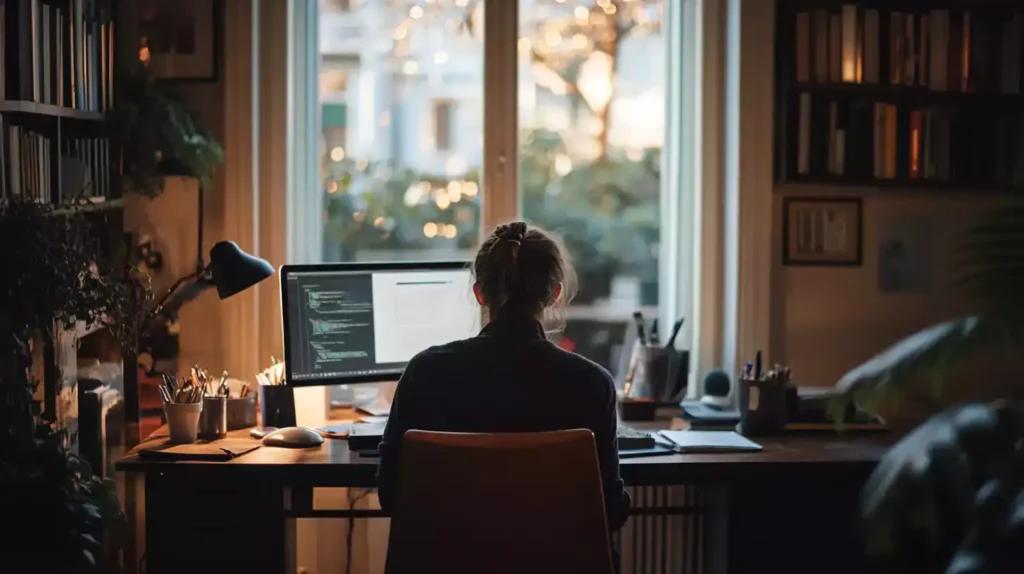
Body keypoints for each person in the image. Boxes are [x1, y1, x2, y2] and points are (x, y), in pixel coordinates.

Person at [377, 221, 631, 533]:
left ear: (479, 294)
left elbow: (391, 496)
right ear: (554, 294)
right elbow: (611, 512)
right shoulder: (592, 384)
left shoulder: (425, 373)